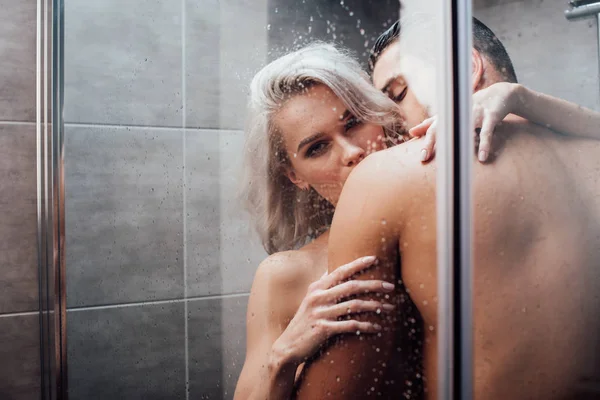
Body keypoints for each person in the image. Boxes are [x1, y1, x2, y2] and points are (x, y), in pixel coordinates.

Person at [293, 15, 600, 400]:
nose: (393, 125)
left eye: (400, 94)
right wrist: (520, 97)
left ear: (468, 69)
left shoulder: (391, 175)